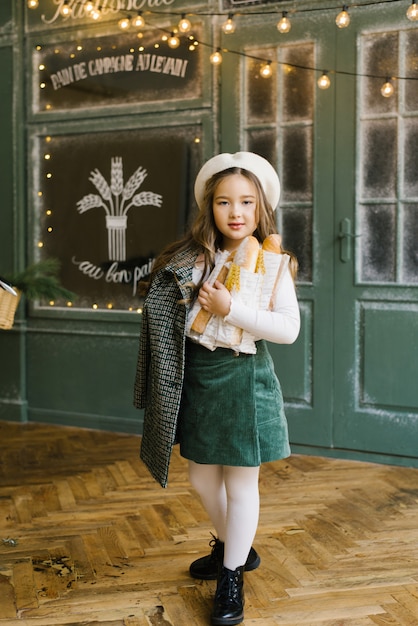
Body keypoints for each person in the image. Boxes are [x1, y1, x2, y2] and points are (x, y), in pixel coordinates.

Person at [133, 151, 300, 626]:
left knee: (241, 481)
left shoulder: (274, 263)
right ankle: (237, 548)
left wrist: (231, 309)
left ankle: (232, 578)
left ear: (260, 208)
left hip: (242, 376)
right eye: (225, 202)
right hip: (198, 376)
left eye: (247, 202)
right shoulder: (192, 258)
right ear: (210, 209)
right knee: (202, 478)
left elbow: (288, 329)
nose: (236, 212)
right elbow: (171, 317)